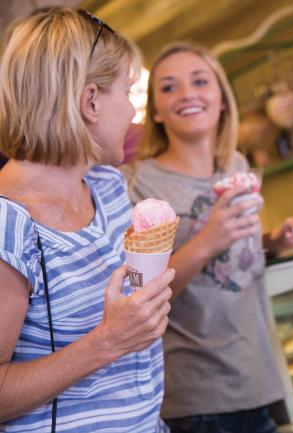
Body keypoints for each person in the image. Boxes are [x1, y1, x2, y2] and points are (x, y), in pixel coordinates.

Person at [122, 42, 293, 433]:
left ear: (222, 99)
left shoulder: (236, 165)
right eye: (169, 87)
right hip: (197, 399)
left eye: (199, 81)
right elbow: (137, 293)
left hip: (259, 381)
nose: (188, 94)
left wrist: (274, 240)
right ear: (156, 111)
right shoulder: (137, 182)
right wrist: (207, 239)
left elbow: (234, 256)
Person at [0, 8, 174, 432]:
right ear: (90, 101)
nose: (135, 114)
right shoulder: (8, 222)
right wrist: (108, 341)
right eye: (129, 92)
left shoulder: (109, 186)